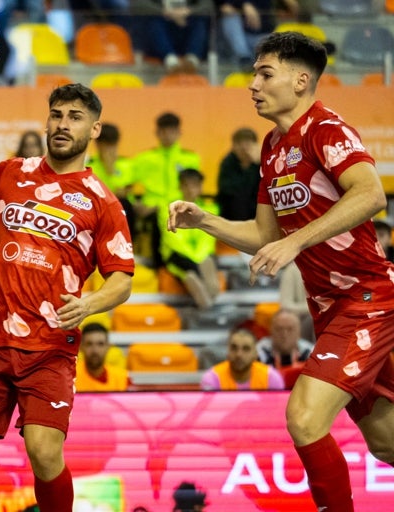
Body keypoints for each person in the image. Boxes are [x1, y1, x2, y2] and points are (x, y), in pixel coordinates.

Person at [169, 31, 394, 511]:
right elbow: (267, 234)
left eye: (264, 73)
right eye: (254, 73)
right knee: (386, 444)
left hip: (368, 300)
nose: (253, 83)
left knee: (305, 418)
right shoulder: (273, 148)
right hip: (330, 312)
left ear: (300, 80)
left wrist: (295, 241)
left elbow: (370, 194)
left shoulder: (326, 129)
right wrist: (204, 220)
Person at [0, 83, 134, 512]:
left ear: (95, 129)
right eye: (57, 115)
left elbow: (122, 279)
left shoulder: (104, 203)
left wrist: (89, 304)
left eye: (75, 117)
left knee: (45, 454)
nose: (63, 124)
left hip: (49, 350)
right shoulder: (10, 171)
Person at [131, 112, 201, 267]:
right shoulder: (145, 159)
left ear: (179, 133)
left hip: (178, 206)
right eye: (164, 131)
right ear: (157, 133)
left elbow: (192, 188)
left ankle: (179, 262)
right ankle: (156, 264)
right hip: (150, 209)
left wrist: (159, 205)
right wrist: (134, 203)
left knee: (166, 214)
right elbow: (123, 184)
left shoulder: (190, 159)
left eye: (172, 131)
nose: (168, 135)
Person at [159, 168, 219, 309]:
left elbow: (207, 240)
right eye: (186, 185)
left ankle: (209, 297)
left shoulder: (211, 208)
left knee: (207, 262)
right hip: (176, 256)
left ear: (200, 187)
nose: (190, 189)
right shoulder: (167, 209)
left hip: (200, 255)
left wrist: (198, 259)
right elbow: (174, 241)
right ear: (180, 186)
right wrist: (195, 260)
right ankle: (207, 306)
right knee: (190, 273)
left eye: (194, 185)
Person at [131, 0, 212, 73]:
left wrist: (189, 12)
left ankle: (192, 60)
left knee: (199, 22)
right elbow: (138, 4)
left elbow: (208, 5)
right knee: (154, 22)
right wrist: (166, 12)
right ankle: (170, 61)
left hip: (186, 27)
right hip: (161, 31)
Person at [87, 123, 136, 237]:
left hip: (123, 211)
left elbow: (127, 191)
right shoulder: (89, 167)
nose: (110, 150)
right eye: (106, 145)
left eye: (113, 145)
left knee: (124, 203)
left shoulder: (126, 165)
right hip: (98, 210)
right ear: (98, 145)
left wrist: (111, 170)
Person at [202, 327, 284, 390]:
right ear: (227, 351)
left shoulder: (271, 378)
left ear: (255, 354)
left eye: (246, 349)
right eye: (234, 348)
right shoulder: (213, 378)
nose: (239, 354)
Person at [257, 308, 314, 389]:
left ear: (299, 332)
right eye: (279, 329)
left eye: (290, 329)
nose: (284, 334)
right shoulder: (257, 352)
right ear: (270, 331)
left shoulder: (311, 354)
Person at [217, 127, 261, 222]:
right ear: (233, 146)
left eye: (247, 143)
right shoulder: (227, 163)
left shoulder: (263, 164)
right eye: (239, 143)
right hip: (231, 219)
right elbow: (228, 191)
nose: (244, 147)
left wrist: (256, 164)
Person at [75, 323, 131, 392]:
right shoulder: (70, 376)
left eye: (100, 344)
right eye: (89, 344)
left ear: (108, 346)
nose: (95, 350)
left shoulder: (122, 378)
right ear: (81, 347)